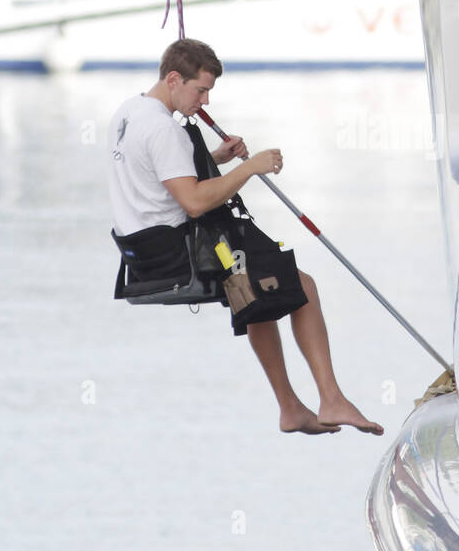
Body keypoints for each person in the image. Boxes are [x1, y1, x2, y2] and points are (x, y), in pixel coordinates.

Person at [107, 37, 383, 437]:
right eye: (200, 90)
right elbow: (196, 202)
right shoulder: (162, 128)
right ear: (173, 78)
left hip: (144, 249)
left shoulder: (128, 113)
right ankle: (331, 397)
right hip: (183, 249)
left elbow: (157, 172)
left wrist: (214, 159)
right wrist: (250, 168)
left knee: (255, 289)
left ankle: (291, 408)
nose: (203, 103)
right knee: (301, 284)